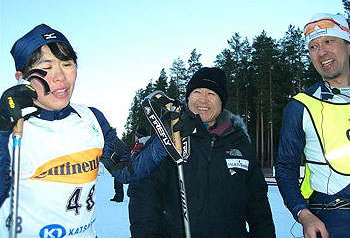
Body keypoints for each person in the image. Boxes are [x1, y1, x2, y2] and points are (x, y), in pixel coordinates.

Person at [0, 24, 168, 238]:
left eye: (67, 64)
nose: (60, 76)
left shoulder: (92, 119)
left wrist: (166, 138)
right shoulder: (12, 126)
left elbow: (127, 170)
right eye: (46, 66)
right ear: (22, 77)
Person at [128, 67, 276, 237]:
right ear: (188, 97)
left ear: (222, 101)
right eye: (197, 92)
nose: (203, 100)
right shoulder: (168, 136)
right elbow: (143, 192)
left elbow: (257, 200)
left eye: (211, 94)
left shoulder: (239, 141)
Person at [275, 13, 350, 238]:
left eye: (329, 41)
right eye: (313, 47)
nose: (321, 52)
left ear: (347, 45)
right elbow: (285, 167)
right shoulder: (301, 105)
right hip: (331, 219)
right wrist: (304, 214)